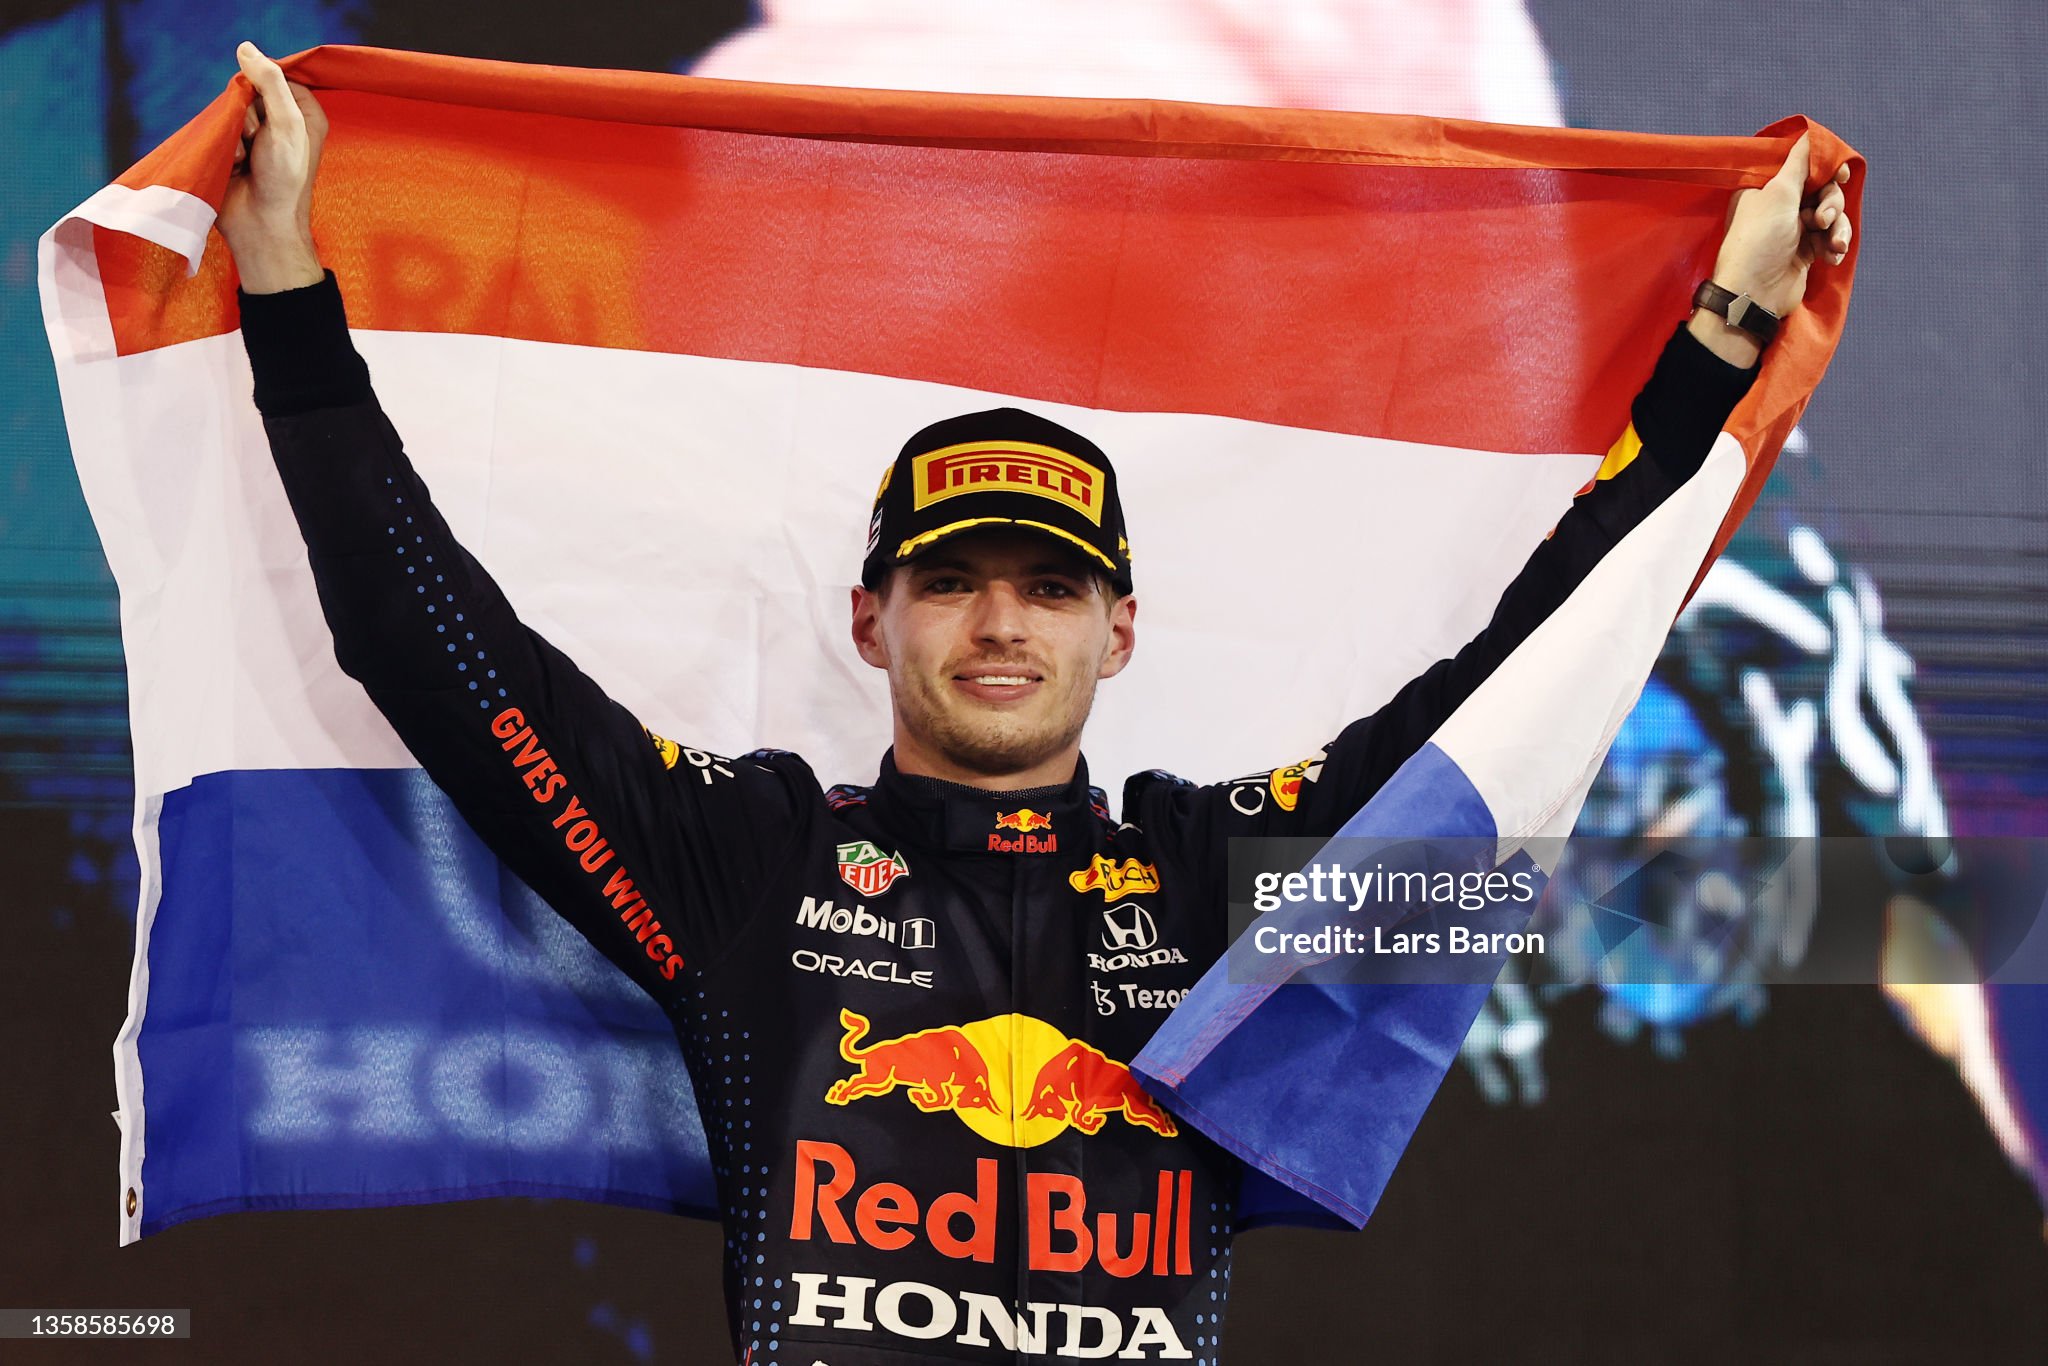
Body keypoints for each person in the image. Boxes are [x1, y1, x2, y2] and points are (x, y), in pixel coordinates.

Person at [219, 38, 1851, 1366]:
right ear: (873, 617)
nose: (1001, 624)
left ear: (1119, 630)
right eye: (953, 581)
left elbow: (1522, 682)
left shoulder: (1217, 884)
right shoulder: (749, 861)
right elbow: (433, 645)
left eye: (1051, 587)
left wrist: (1719, 338)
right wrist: (285, 280)